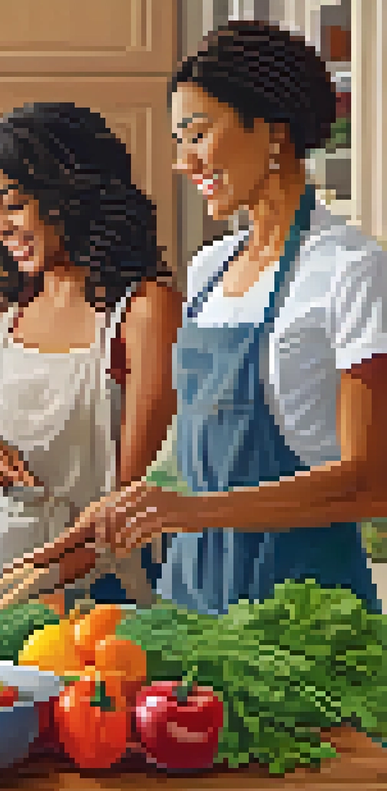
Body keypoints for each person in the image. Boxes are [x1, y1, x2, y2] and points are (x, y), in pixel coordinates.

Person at [68, 20, 385, 615]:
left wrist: (193, 512)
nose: (182, 162)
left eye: (196, 133)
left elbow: (372, 481)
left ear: (271, 130)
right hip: (192, 598)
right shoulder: (208, 268)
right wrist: (125, 507)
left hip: (306, 612)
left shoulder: (352, 270)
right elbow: (191, 448)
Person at [0, 103, 182, 605]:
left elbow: (133, 503)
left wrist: (38, 581)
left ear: (72, 195)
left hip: (101, 588)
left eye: (13, 204)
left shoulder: (143, 311)